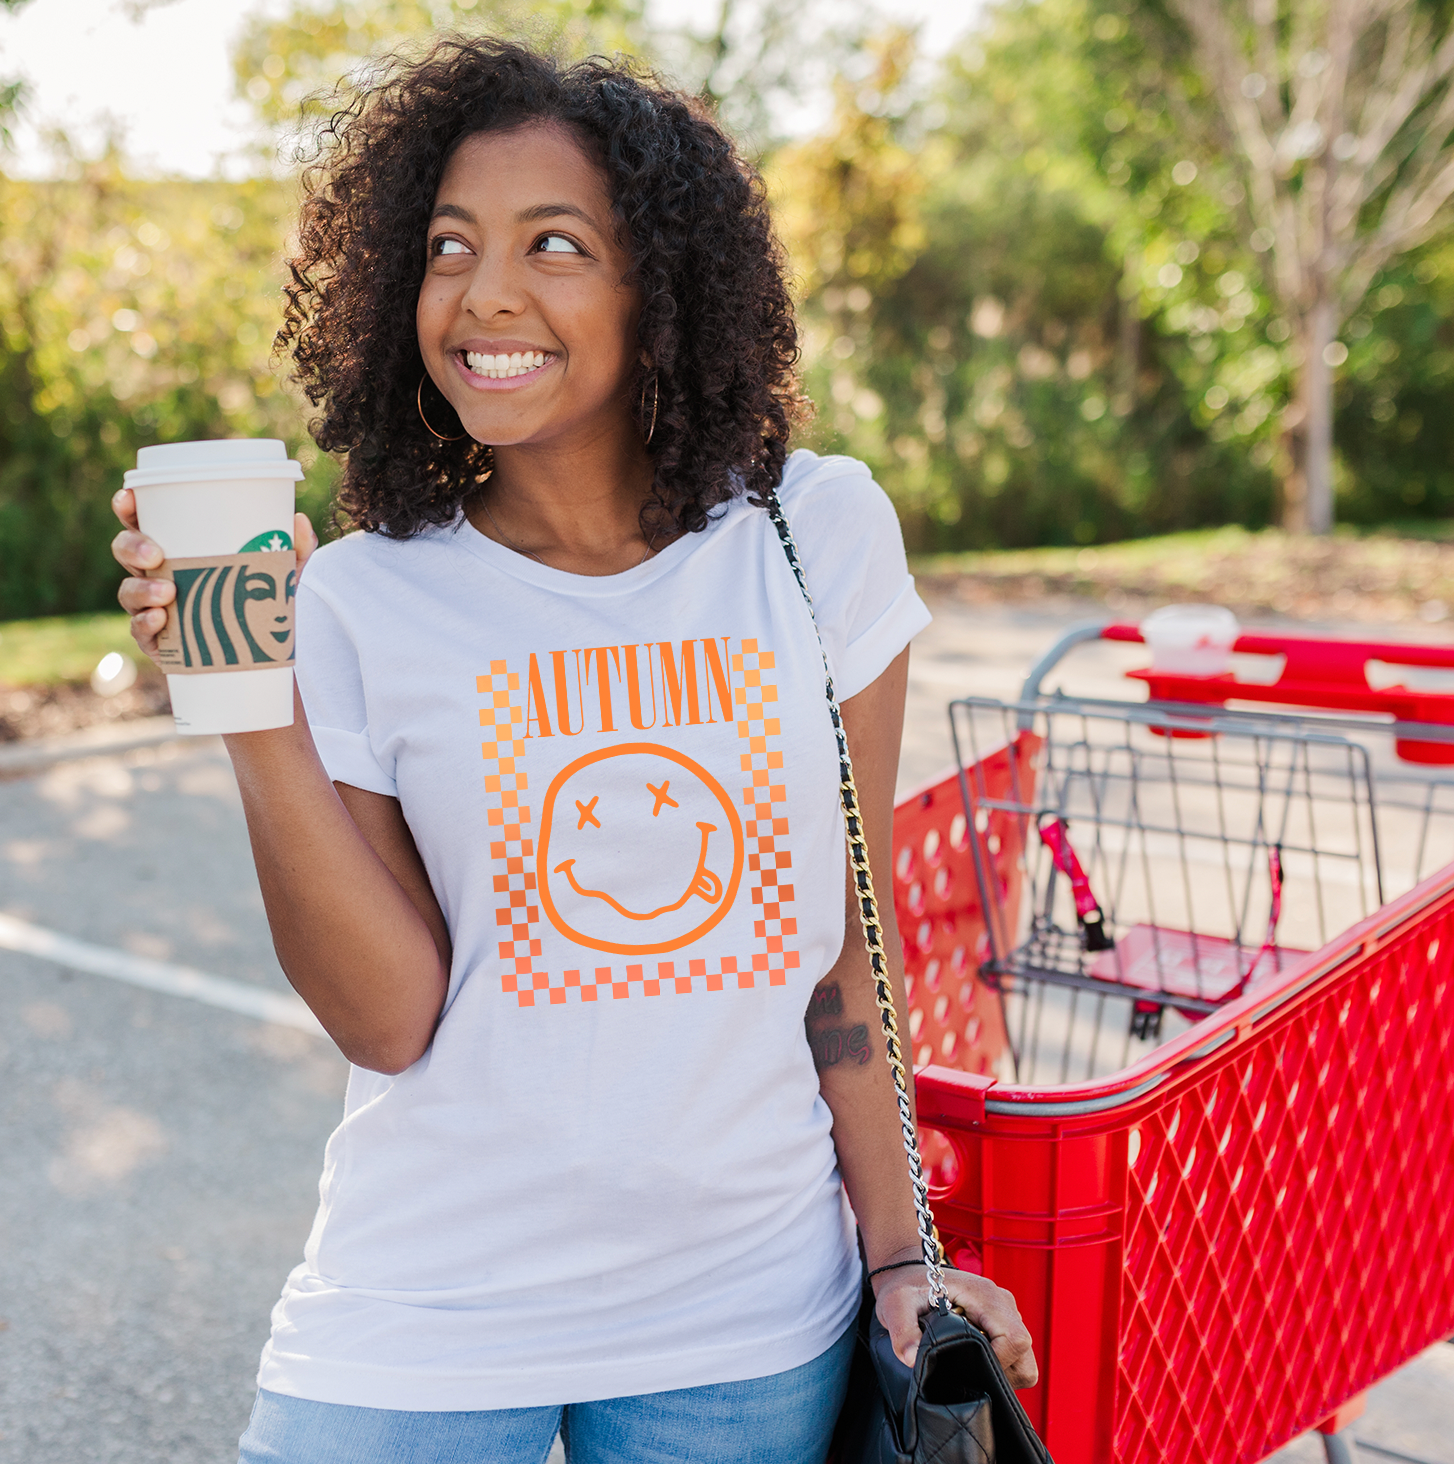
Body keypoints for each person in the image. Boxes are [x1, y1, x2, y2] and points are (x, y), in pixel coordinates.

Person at [111, 37, 1035, 1464]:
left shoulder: (815, 535)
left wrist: (901, 1255)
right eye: (447, 247)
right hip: (425, 1299)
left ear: (657, 289)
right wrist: (256, 710)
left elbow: (842, 951)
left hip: (741, 1317)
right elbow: (388, 1020)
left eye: (555, 245)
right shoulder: (366, 594)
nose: (484, 294)